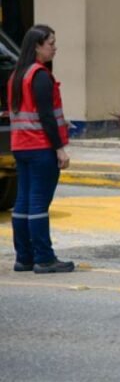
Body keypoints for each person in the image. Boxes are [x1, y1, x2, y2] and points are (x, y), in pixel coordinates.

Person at [8, 25, 73, 274]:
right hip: (40, 147)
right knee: (38, 203)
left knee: (23, 201)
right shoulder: (40, 75)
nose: (55, 48)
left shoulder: (18, 75)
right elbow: (46, 116)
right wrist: (59, 149)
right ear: (37, 46)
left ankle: (24, 257)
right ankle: (44, 258)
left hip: (21, 146)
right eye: (51, 43)